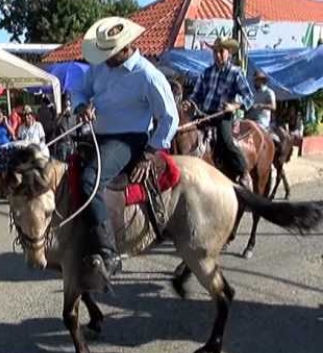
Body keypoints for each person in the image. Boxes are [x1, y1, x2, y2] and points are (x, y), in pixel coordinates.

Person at [72, 16, 179, 277]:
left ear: (126, 47)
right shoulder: (99, 67)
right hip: (98, 136)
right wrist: (81, 106)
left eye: (110, 52)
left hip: (129, 139)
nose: (105, 57)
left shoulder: (148, 76)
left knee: (89, 180)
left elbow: (169, 118)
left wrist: (150, 153)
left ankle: (108, 252)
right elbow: (79, 90)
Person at [185, 37, 254, 188]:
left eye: (221, 51)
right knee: (187, 133)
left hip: (223, 115)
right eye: (215, 51)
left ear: (228, 52)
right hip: (205, 114)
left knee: (226, 140)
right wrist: (189, 102)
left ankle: (243, 172)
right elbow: (196, 94)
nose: (217, 55)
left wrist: (233, 106)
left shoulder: (235, 73)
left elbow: (249, 97)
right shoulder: (206, 72)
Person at [54, 93, 76, 162]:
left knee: (71, 163)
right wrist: (63, 113)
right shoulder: (59, 115)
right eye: (66, 105)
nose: (68, 106)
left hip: (71, 143)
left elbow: (74, 129)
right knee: (62, 163)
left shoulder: (72, 116)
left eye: (69, 105)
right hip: (62, 144)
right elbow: (55, 124)